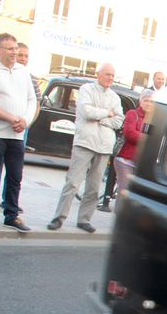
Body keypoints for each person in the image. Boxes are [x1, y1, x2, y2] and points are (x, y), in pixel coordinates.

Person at [48, 63, 124, 232]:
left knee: (94, 187)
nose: (110, 78)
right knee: (73, 182)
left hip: (104, 146)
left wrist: (101, 118)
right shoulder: (86, 89)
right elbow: (86, 112)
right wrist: (107, 113)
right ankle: (58, 218)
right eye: (107, 74)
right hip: (85, 142)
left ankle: (84, 219)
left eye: (112, 75)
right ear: (99, 75)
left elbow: (119, 121)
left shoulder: (115, 97)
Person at [0, 33, 36, 233]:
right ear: (0, 50)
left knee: (15, 176)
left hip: (17, 133)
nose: (15, 53)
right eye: (10, 49)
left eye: (16, 49)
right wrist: (12, 119)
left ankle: (11, 214)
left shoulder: (23, 72)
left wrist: (25, 121)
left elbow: (32, 100)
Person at [110, 88, 152, 197]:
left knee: (135, 193)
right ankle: (120, 213)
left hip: (141, 162)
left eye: (151, 101)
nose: (148, 103)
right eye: (146, 100)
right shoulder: (133, 114)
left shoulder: (153, 119)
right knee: (124, 190)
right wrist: (147, 138)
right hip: (125, 160)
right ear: (140, 101)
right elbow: (130, 133)